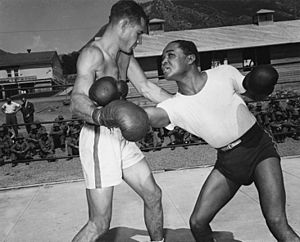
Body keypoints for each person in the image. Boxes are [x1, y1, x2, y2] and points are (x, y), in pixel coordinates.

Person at [145, 40, 300, 242]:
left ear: (191, 58)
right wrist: (113, 113)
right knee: (197, 223)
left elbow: (251, 90)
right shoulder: (173, 105)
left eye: (171, 55)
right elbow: (148, 115)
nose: (164, 61)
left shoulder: (223, 73)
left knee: (277, 221)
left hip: (258, 148)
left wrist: (261, 82)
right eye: (162, 58)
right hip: (228, 162)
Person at [70, 1, 171, 241]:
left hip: (121, 136)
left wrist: (186, 104)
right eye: (138, 33)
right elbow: (76, 101)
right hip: (98, 139)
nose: (139, 40)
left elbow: (147, 88)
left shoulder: (124, 55)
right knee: (99, 223)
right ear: (124, 25)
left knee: (153, 195)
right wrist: (100, 115)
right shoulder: (92, 55)